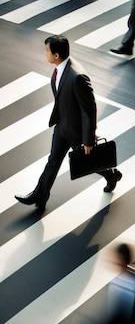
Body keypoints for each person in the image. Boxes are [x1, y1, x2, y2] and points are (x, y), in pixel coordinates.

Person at [15, 35, 122, 212]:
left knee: (90, 162)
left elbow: (89, 110)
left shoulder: (77, 77)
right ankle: (40, 196)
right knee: (53, 161)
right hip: (62, 127)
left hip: (77, 132)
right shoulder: (60, 68)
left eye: (47, 51)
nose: (45, 54)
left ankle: (111, 175)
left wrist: (88, 140)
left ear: (56, 55)